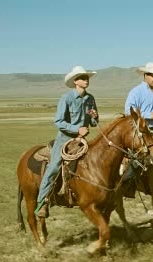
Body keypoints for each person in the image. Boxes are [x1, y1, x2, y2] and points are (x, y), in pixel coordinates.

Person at [34, 66, 99, 218]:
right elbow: (58, 121)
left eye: (87, 77)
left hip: (82, 141)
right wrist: (77, 129)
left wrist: (94, 118)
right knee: (54, 167)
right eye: (82, 77)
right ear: (75, 81)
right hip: (65, 140)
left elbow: (95, 123)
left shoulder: (90, 99)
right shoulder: (67, 98)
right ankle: (42, 202)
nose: (86, 79)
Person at [121, 62, 153, 197]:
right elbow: (128, 112)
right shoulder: (136, 92)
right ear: (145, 76)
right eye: (152, 76)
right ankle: (127, 185)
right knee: (138, 159)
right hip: (142, 133)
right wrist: (148, 115)